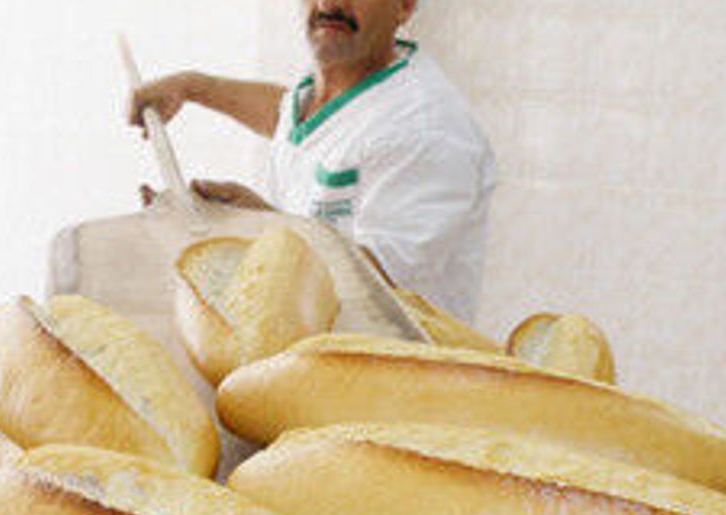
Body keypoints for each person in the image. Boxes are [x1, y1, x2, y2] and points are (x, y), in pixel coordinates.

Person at [128, 0, 497, 322]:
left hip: (391, 369)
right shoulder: (331, 89)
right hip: (308, 344)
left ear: (405, 5)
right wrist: (195, 87)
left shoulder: (426, 130)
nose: (328, 3)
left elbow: (379, 283)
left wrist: (259, 228)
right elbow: (295, 125)